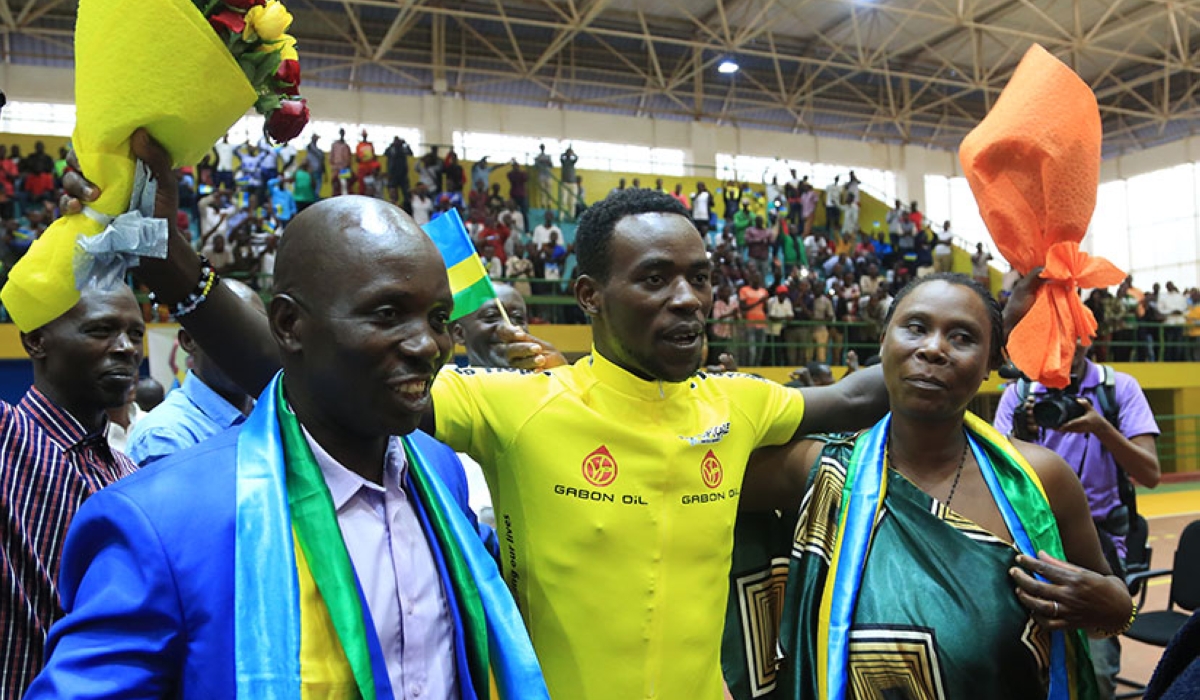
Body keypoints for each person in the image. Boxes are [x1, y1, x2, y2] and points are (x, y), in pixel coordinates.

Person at [62, 156, 888, 700]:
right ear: (591, 299)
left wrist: (953, 345)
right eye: (657, 277)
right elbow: (317, 376)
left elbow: (855, 402)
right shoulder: (519, 407)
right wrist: (173, 264)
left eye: (701, 278)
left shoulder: (737, 405)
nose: (687, 299)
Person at [28, 195, 546, 699]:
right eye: (387, 314)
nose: (427, 345)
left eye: (437, 318)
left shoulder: (439, 474)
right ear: (288, 325)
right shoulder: (161, 520)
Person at [741, 273, 1133, 700]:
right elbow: (695, 477)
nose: (933, 348)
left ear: (990, 365)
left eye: (962, 337)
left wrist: (1114, 607)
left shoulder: (1040, 477)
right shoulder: (819, 468)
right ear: (883, 342)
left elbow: (1108, 607)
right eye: (915, 328)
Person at [995, 340, 1161, 699]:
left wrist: (1102, 428)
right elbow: (992, 476)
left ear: (1089, 342)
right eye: (1055, 352)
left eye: (1075, 349)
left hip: (1096, 550)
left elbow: (1150, 473)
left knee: (1097, 675)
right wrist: (1020, 439)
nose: (1066, 362)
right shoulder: (1019, 394)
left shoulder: (1118, 389)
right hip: (1030, 545)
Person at [0, 285, 144, 697]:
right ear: (35, 340)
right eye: (102, 330)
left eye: (136, 334)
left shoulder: (130, 476)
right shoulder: (7, 435)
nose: (126, 348)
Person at [125, 279, 265, 467]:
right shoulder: (164, 436)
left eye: (256, 329)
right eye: (228, 329)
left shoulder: (274, 413)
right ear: (189, 340)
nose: (246, 344)